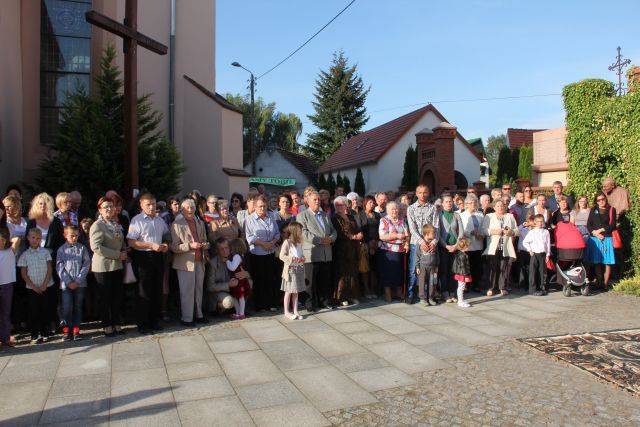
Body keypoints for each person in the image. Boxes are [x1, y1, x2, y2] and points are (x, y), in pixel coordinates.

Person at [127, 193, 171, 334]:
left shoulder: (159, 220)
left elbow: (166, 235)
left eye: (153, 204)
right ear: (141, 205)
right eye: (148, 204)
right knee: (143, 290)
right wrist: (150, 245)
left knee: (156, 289)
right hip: (143, 257)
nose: (152, 207)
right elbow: (131, 242)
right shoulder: (137, 220)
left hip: (158, 256)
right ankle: (142, 324)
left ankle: (154, 321)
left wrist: (165, 244)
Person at [91, 197, 127, 337]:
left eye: (111, 206)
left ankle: (117, 323)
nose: (109, 209)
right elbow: (96, 247)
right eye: (106, 207)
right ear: (100, 209)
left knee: (116, 296)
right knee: (105, 298)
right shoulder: (97, 225)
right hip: (103, 267)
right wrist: (117, 254)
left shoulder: (114, 223)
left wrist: (124, 250)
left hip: (117, 266)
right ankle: (107, 325)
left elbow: (120, 240)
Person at [171, 198, 209, 326]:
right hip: (185, 263)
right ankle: (187, 318)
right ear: (182, 210)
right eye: (187, 208)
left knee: (199, 289)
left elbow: (205, 239)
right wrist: (190, 246)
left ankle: (199, 314)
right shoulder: (176, 224)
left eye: (192, 207)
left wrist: (205, 244)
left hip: (199, 261)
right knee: (187, 291)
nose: (190, 210)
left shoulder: (200, 222)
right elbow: (174, 247)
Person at [297, 191, 337, 311]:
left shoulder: (325, 215)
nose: (317, 201)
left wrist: (330, 239)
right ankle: (310, 304)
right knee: (311, 281)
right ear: (307, 201)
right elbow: (303, 233)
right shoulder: (302, 215)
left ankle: (324, 302)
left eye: (319, 199)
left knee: (324, 279)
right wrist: (319, 240)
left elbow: (333, 230)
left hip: (326, 252)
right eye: (314, 199)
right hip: (312, 253)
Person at [18, 228, 54, 344]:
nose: (35, 240)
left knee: (44, 309)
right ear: (28, 238)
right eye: (33, 237)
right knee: (33, 311)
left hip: (45, 286)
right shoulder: (25, 255)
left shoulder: (45, 252)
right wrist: (33, 286)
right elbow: (23, 273)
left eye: (38, 238)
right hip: (32, 288)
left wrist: (44, 284)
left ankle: (44, 332)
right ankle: (34, 334)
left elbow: (49, 268)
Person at [244, 195, 280, 312]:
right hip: (257, 254)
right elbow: (249, 237)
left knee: (271, 279)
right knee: (259, 280)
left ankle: (271, 303)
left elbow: (277, 233)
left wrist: (272, 242)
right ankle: (260, 305)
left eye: (264, 206)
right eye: (260, 206)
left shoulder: (271, 217)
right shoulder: (249, 219)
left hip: (270, 252)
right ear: (254, 207)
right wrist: (264, 244)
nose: (262, 209)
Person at [56, 225, 91, 341]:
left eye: (76, 235)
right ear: (65, 236)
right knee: (66, 307)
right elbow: (59, 267)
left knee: (78, 306)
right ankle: (66, 329)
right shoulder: (61, 250)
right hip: (66, 284)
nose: (74, 238)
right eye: (72, 236)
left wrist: (78, 280)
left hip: (80, 284)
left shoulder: (82, 249)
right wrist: (68, 281)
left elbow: (86, 265)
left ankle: (76, 329)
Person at [406, 185, 439, 303]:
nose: (422, 195)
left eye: (425, 192)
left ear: (428, 193)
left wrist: (434, 241)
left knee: (429, 273)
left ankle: (428, 296)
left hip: (431, 244)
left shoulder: (433, 208)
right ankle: (410, 294)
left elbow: (436, 226)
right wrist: (421, 241)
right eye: (420, 192)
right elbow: (412, 227)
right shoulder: (411, 208)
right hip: (416, 243)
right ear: (416, 193)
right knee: (414, 270)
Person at [481, 199, 518, 297]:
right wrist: (492, 231)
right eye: (498, 206)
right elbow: (483, 230)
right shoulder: (489, 216)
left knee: (504, 267)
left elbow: (517, 230)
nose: (500, 208)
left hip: (505, 246)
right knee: (492, 267)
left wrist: (511, 232)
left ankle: (503, 287)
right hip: (493, 246)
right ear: (494, 207)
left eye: (502, 206)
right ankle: (490, 288)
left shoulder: (510, 216)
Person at [207, 238, 251, 315]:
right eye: (221, 249)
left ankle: (240, 310)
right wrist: (228, 285)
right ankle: (219, 309)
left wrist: (246, 274)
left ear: (229, 247)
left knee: (249, 282)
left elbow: (247, 274)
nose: (225, 251)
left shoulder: (235, 256)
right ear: (217, 250)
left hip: (235, 287)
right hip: (221, 291)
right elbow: (210, 286)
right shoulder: (212, 264)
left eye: (226, 248)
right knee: (229, 302)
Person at [332, 196, 363, 306]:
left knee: (353, 272)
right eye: (337, 205)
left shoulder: (351, 216)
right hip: (341, 248)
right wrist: (353, 237)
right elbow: (339, 233)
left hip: (353, 248)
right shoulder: (334, 218)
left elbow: (358, 229)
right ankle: (341, 297)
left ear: (346, 205)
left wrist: (359, 234)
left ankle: (352, 295)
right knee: (342, 273)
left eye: (341, 204)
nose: (339, 207)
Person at [377, 201, 409, 302]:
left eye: (396, 208)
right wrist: (396, 236)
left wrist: (407, 243)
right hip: (388, 250)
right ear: (388, 211)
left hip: (401, 250)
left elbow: (407, 234)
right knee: (388, 273)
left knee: (399, 272)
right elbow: (382, 236)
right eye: (392, 209)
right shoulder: (384, 220)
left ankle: (399, 292)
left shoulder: (402, 220)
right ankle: (388, 294)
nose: (395, 210)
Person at [585, 192, 616, 290]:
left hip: (607, 238)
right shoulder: (593, 210)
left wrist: (602, 230)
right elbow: (589, 224)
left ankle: (605, 284)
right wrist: (596, 233)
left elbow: (613, 225)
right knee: (597, 262)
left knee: (607, 262)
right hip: (595, 239)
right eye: (598, 200)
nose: (601, 201)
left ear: (605, 199)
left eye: (602, 199)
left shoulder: (611, 209)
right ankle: (599, 282)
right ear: (596, 201)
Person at [437, 195, 464, 303]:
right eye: (447, 202)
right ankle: (445, 292)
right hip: (444, 248)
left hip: (455, 248)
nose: (449, 203)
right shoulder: (439, 215)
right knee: (444, 270)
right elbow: (438, 234)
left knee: (453, 271)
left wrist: (456, 245)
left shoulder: (456, 215)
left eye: (450, 202)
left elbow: (461, 232)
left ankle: (452, 292)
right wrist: (446, 245)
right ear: (442, 203)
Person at [279, 222, 305, 320]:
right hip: (290, 271)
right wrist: (292, 259)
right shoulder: (287, 242)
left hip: (298, 269)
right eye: (300, 230)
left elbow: (300, 254)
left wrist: (302, 258)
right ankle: (286, 311)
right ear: (294, 231)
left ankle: (295, 310)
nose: (301, 232)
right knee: (288, 291)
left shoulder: (299, 243)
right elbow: (282, 256)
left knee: (296, 291)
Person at [460, 194, 484, 292]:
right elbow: (461, 230)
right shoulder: (462, 215)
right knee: (467, 265)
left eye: (475, 202)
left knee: (477, 265)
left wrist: (481, 234)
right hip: (468, 244)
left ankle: (476, 284)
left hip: (478, 243)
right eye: (471, 203)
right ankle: (467, 285)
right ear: (466, 204)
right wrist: (470, 233)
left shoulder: (480, 215)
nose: (473, 204)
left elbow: (483, 227)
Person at [523, 214, 551, 296]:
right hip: (535, 254)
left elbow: (548, 244)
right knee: (533, 271)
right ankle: (533, 289)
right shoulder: (532, 232)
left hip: (542, 254)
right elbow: (525, 242)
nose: (540, 223)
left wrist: (547, 255)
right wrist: (529, 250)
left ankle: (541, 288)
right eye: (538, 222)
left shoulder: (546, 232)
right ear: (535, 222)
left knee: (542, 272)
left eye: (542, 221)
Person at [225, 238, 251, 319]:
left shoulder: (236, 256)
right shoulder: (241, 256)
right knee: (238, 297)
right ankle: (240, 312)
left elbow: (232, 268)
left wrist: (227, 261)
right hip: (239, 280)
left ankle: (240, 313)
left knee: (239, 297)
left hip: (238, 280)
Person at [0, 228, 17, 347]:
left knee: (5, 313)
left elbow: (17, 239)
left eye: (2, 240)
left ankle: (5, 338)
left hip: (7, 285)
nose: (0, 242)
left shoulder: (10, 251)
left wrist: (9, 240)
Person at [415, 224, 439, 306]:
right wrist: (417, 266)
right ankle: (422, 298)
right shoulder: (420, 244)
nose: (434, 235)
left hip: (432, 267)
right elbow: (417, 255)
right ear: (426, 234)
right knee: (422, 283)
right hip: (423, 267)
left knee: (432, 283)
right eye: (433, 233)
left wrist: (437, 266)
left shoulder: (434, 244)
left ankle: (431, 297)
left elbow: (437, 255)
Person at [362, 195, 380, 299]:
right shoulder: (360, 215)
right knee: (365, 268)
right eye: (370, 202)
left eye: (373, 203)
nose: (372, 204)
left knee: (374, 268)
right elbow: (360, 230)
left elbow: (380, 228)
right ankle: (366, 290)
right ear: (365, 203)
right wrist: (369, 242)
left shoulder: (377, 215)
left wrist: (376, 241)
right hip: (365, 244)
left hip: (376, 244)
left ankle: (373, 289)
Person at [452, 237, 472, 307]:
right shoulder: (462, 256)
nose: (469, 247)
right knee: (461, 287)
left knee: (461, 287)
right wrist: (466, 276)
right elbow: (463, 267)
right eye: (468, 246)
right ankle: (460, 301)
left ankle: (461, 300)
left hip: (460, 273)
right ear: (465, 246)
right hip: (462, 274)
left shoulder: (459, 253)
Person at [517, 215, 535, 290]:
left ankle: (529, 284)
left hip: (531, 252)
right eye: (529, 224)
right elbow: (515, 232)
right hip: (522, 251)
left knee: (530, 268)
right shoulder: (523, 230)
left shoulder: (535, 231)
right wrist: (522, 225)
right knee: (522, 268)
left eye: (532, 225)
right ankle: (522, 284)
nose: (531, 226)